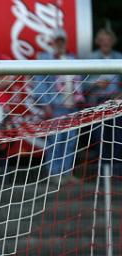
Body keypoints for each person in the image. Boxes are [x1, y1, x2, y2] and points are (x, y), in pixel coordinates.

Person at [34, 29, 85, 177]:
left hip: (73, 105)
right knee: (55, 140)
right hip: (55, 105)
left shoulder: (72, 58)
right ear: (52, 42)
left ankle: (66, 173)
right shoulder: (44, 58)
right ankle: (54, 173)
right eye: (57, 41)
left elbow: (80, 81)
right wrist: (46, 104)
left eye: (62, 41)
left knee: (71, 140)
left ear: (65, 41)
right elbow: (39, 82)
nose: (59, 44)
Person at [84, 28, 122, 175]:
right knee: (100, 136)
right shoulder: (90, 58)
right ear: (98, 42)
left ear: (113, 41)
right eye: (102, 39)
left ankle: (116, 171)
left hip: (117, 102)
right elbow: (81, 84)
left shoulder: (119, 57)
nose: (106, 42)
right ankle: (102, 171)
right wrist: (96, 84)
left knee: (117, 135)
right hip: (98, 102)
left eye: (108, 39)